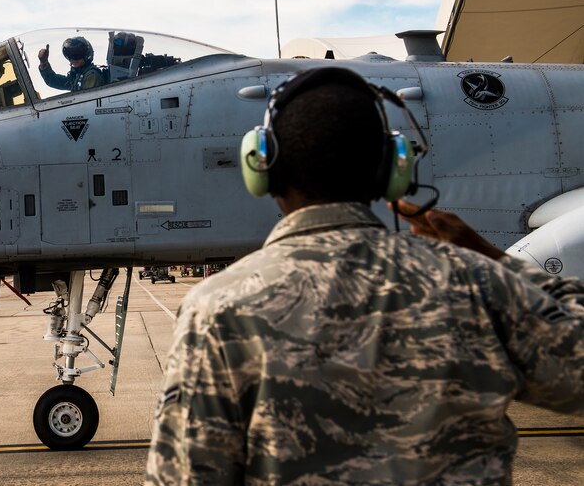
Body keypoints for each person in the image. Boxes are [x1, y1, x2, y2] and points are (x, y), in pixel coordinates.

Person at [146, 66, 584, 485]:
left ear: (263, 168)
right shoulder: (474, 282)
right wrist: (495, 261)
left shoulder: (217, 309)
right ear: (392, 170)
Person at [38, 36, 104, 92]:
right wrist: (44, 62)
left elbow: (88, 100)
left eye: (77, 55)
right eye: (70, 56)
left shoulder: (91, 75)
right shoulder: (77, 77)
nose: (74, 59)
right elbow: (53, 80)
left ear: (86, 55)